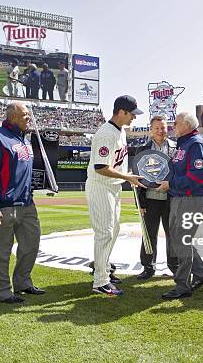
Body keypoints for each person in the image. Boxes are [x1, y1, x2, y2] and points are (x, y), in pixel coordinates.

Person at [0, 101, 45, 304]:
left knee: (31, 244)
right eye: (25, 115)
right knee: (1, 251)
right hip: (5, 205)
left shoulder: (25, 140)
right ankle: (3, 292)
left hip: (27, 204)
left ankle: (23, 282)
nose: (29, 119)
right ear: (13, 116)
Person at [86, 95, 145, 296]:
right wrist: (128, 177)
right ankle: (100, 281)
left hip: (113, 186)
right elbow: (101, 167)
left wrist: (124, 178)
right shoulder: (105, 134)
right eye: (131, 114)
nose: (133, 119)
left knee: (114, 229)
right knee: (105, 232)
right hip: (101, 186)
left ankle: (104, 267)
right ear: (121, 111)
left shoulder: (119, 131)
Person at [156, 112, 203, 299]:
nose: (173, 125)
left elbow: (197, 177)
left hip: (191, 199)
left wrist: (170, 184)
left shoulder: (196, 144)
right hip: (179, 197)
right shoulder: (184, 143)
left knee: (182, 240)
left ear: (188, 125)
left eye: (177, 122)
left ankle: (182, 286)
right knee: (179, 239)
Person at [135, 115, 178, 280]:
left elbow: (179, 173)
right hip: (150, 199)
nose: (160, 131)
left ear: (168, 129)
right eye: (157, 128)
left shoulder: (176, 148)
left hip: (171, 198)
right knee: (149, 234)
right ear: (151, 130)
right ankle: (148, 267)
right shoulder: (142, 149)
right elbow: (137, 178)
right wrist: (140, 201)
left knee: (172, 234)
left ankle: (174, 266)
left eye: (163, 128)